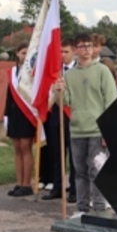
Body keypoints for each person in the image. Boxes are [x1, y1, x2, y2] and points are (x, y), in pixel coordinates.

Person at [62, 33, 117, 215]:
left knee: (97, 170)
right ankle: (82, 208)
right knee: (80, 172)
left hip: (97, 130)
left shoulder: (102, 71)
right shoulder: (69, 74)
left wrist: (108, 131)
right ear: (76, 50)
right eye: (82, 46)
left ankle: (100, 208)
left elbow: (111, 102)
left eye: (89, 46)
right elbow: (65, 101)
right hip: (77, 129)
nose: (86, 49)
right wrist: (58, 91)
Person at [40, 38, 74, 200]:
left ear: (73, 52)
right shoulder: (54, 71)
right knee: (57, 154)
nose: (63, 55)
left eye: (66, 52)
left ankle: (74, 189)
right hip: (56, 114)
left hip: (73, 115)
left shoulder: (78, 70)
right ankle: (57, 187)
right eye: (60, 52)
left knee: (74, 156)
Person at [4, 43, 36, 196]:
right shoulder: (12, 72)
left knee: (25, 147)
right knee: (17, 148)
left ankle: (27, 184)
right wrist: (6, 115)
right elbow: (9, 94)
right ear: (17, 53)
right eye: (23, 53)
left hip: (27, 113)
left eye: (27, 53)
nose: (25, 56)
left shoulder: (32, 72)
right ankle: (19, 182)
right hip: (14, 113)